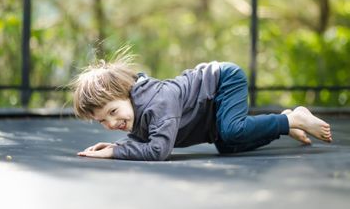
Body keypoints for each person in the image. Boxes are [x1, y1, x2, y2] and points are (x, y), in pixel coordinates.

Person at [72, 48, 332, 161]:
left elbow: (159, 150)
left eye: (113, 112)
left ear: (129, 93)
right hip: (207, 113)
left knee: (231, 131)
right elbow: (146, 141)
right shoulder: (135, 113)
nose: (110, 123)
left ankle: (294, 118)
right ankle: (285, 122)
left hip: (222, 81)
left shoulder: (157, 103)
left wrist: (115, 153)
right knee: (227, 146)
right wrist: (118, 144)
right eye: (102, 121)